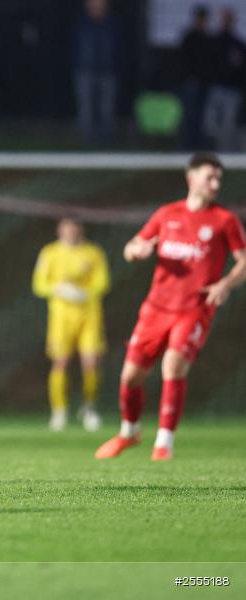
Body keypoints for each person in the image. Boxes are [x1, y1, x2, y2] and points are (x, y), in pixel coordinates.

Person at [95, 153, 246, 461]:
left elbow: (244, 259)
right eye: (210, 177)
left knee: (173, 365)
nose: (215, 184)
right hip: (156, 308)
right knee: (130, 377)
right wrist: (136, 251)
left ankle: (164, 443)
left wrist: (225, 284)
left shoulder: (224, 220)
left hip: (194, 309)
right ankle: (129, 433)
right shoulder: (167, 214)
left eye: (219, 179)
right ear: (191, 179)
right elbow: (131, 248)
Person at [32, 217, 110, 432]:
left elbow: (103, 282)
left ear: (80, 230)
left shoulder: (94, 253)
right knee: (60, 362)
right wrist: (58, 289)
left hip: (89, 315)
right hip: (61, 317)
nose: (70, 233)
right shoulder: (50, 253)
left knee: (91, 362)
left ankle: (89, 407)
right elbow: (39, 284)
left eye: (74, 230)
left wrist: (84, 293)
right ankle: (59, 411)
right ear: (60, 231)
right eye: (66, 230)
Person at [74, 0, 119, 145]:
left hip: (107, 71)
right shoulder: (81, 25)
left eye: (100, 6)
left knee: (106, 108)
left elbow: (118, 48)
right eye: (93, 6)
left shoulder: (112, 25)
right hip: (85, 70)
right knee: (86, 109)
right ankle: (86, 140)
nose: (96, 9)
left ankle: (106, 140)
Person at [202, 8, 246, 151]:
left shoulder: (237, 44)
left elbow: (241, 67)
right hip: (215, 87)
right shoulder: (214, 41)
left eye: (229, 19)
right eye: (224, 18)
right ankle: (213, 148)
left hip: (232, 90)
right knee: (209, 122)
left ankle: (225, 152)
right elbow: (207, 64)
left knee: (228, 122)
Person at [179, 5, 215, 150]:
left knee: (201, 116)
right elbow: (183, 61)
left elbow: (210, 62)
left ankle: (197, 145)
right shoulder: (189, 37)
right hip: (191, 82)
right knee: (190, 115)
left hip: (204, 83)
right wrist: (189, 77)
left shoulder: (208, 38)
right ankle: (187, 145)